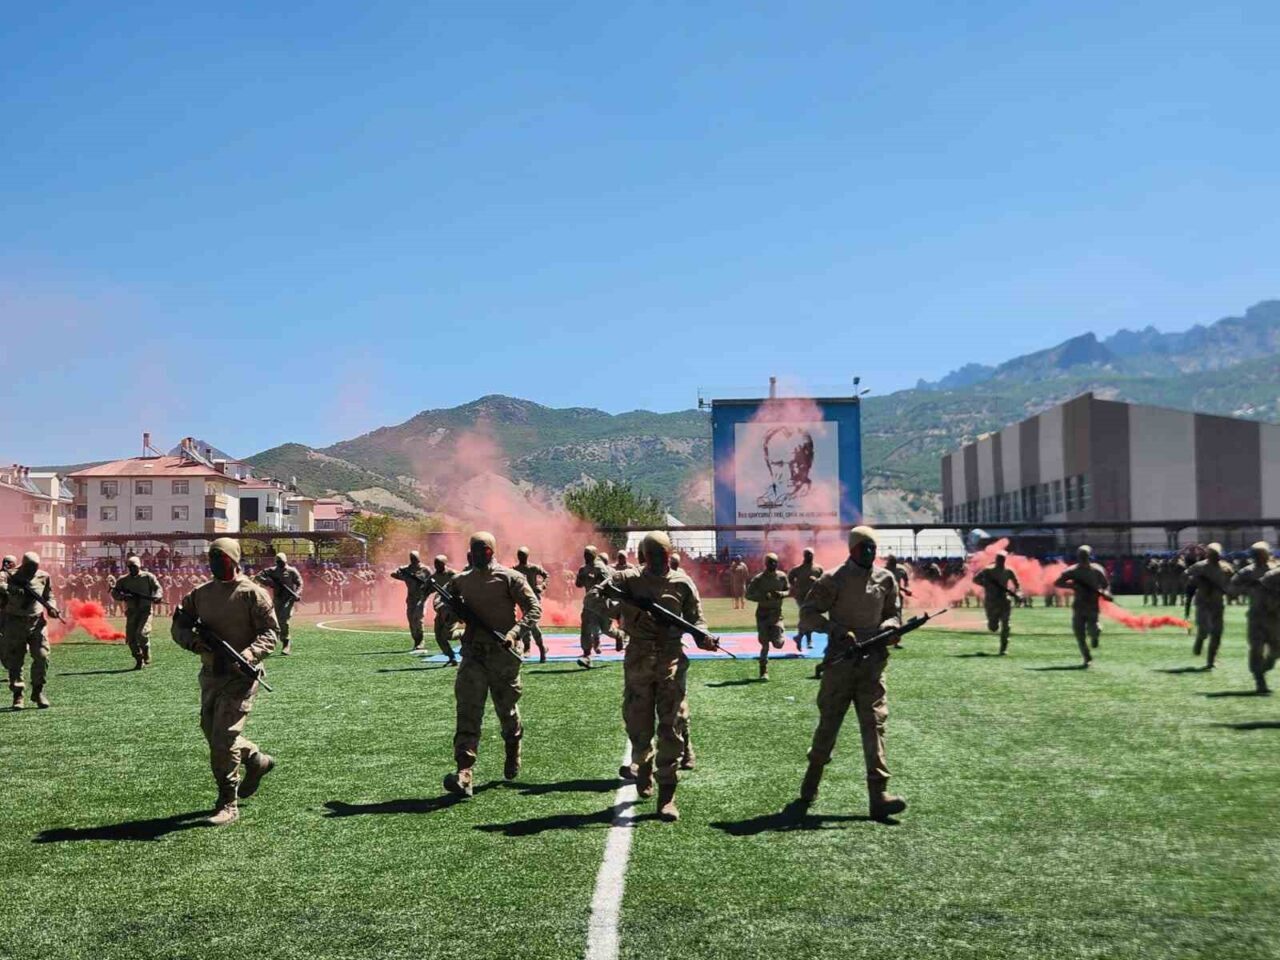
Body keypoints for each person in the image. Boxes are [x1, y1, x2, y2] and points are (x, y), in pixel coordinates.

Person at [796, 526, 905, 820]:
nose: (869, 553)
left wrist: (891, 627)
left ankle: (878, 795)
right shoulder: (833, 579)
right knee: (828, 727)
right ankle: (810, 785)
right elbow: (809, 613)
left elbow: (894, 612)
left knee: (875, 726)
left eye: (873, 548)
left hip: (873, 666)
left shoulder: (886, 579)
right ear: (852, 549)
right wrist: (837, 630)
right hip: (841, 665)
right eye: (863, 548)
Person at [170, 539, 278, 826]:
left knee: (223, 738)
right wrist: (195, 643)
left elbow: (270, 633)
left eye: (221, 557)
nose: (216, 562)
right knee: (211, 731)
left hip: (242, 676)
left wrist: (249, 655)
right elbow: (179, 624)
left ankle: (228, 802)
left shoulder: (252, 594)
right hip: (211, 674)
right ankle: (255, 759)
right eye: (212, 557)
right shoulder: (200, 595)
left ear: (234, 559)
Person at [612, 531, 714, 822]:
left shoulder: (682, 583)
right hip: (639, 661)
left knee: (672, 725)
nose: (658, 560)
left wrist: (702, 636)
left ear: (670, 555)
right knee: (636, 722)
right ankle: (643, 766)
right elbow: (599, 596)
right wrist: (610, 587)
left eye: (663, 555)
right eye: (652, 555)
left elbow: (696, 618)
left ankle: (667, 796)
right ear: (643, 556)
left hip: (670, 661)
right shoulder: (629, 581)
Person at [442, 532, 541, 798]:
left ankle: (512, 747)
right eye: (475, 551)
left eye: (483, 551)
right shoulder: (460, 581)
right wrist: (451, 615)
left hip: (503, 654)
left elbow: (533, 608)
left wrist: (514, 633)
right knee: (467, 711)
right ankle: (464, 771)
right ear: (468, 554)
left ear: (492, 552)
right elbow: (442, 605)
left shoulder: (510, 578)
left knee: (506, 709)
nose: (478, 555)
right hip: (473, 654)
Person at [1230, 542, 1280, 694]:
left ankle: (1264, 668)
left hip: (1275, 616)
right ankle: (1260, 680)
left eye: (1263, 554)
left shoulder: (1275, 569)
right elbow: (1232, 589)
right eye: (1257, 554)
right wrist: (1248, 588)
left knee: (1276, 651)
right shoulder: (1246, 572)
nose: (1260, 557)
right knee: (1256, 648)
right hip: (1257, 615)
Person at [1053, 545, 1110, 666]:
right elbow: (1058, 583)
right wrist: (1073, 586)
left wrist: (1105, 593)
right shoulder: (1072, 571)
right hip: (1079, 605)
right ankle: (1087, 657)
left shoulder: (1097, 570)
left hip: (1092, 605)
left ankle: (1095, 637)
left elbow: (1105, 585)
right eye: (1081, 556)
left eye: (1085, 556)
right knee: (1079, 634)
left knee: (1093, 629)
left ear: (1089, 556)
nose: (1083, 558)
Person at [1185, 542, 1234, 670]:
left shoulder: (1226, 568)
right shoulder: (1200, 566)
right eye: (1212, 554)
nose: (1215, 557)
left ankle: (1211, 660)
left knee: (1217, 633)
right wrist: (1195, 580)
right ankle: (1200, 640)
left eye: (1216, 554)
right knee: (1204, 629)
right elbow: (1185, 575)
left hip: (1218, 603)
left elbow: (1231, 583)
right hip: (1203, 602)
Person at [112, 554, 163, 669]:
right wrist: (123, 597)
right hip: (131, 611)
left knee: (141, 633)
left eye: (134, 566)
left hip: (145, 611)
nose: (132, 569)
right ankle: (139, 659)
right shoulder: (123, 580)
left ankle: (146, 650)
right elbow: (115, 593)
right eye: (130, 567)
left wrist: (157, 596)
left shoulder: (148, 577)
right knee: (130, 638)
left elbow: (158, 588)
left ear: (139, 566)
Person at [575, 545, 622, 669]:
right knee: (585, 628)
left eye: (588, 555)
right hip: (589, 603)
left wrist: (601, 588)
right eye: (585, 554)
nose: (586, 557)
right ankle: (586, 655)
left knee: (606, 629)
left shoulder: (600, 568)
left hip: (601, 603)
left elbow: (610, 583)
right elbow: (578, 585)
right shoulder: (583, 569)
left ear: (594, 555)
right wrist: (580, 577)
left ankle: (619, 636)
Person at [745, 553, 789, 680]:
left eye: (775, 562)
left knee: (779, 644)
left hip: (776, 615)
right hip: (763, 614)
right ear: (765, 563)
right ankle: (763, 671)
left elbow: (789, 590)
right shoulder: (759, 579)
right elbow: (748, 595)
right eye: (770, 562)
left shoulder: (782, 577)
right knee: (765, 645)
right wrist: (763, 597)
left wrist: (781, 594)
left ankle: (779, 632)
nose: (773, 564)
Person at [254, 553, 304, 655]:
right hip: (277, 599)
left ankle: (286, 642)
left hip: (289, 599)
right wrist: (270, 583)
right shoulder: (272, 570)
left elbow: (300, 583)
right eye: (278, 562)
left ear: (285, 561)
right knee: (275, 620)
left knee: (284, 619)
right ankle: (274, 640)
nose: (280, 564)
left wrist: (297, 593)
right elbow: (258, 576)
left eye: (281, 562)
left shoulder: (292, 571)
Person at [972, 551, 1021, 655]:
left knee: (1006, 624)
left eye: (1002, 559)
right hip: (991, 600)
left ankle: (1003, 648)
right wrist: (986, 585)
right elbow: (975, 579)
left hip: (1004, 600)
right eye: (999, 559)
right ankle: (992, 623)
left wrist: (1018, 594)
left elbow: (1017, 584)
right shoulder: (987, 571)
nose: (1001, 561)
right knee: (993, 627)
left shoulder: (1008, 571)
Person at [390, 551, 433, 653]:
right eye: (412, 558)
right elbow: (394, 574)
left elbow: (432, 581)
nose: (414, 560)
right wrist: (403, 574)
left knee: (418, 618)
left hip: (422, 598)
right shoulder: (407, 570)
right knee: (411, 620)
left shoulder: (425, 569)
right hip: (411, 598)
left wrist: (427, 591)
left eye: (415, 558)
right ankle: (416, 640)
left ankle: (421, 641)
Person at [512, 547, 550, 662]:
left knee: (531, 623)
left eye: (523, 555)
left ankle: (540, 648)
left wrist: (542, 586)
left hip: (534, 599)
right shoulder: (515, 569)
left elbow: (546, 575)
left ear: (527, 556)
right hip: (522, 600)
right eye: (519, 555)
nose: (521, 557)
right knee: (527, 622)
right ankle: (532, 647)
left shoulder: (533, 568)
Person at [787, 548, 824, 651]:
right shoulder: (798, 569)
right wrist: (794, 586)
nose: (809, 556)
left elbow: (824, 581)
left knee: (807, 618)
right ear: (804, 556)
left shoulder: (818, 568)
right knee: (807, 617)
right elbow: (790, 577)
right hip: (801, 597)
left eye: (811, 554)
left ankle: (799, 637)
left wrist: (816, 580)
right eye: (807, 554)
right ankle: (808, 640)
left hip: (814, 597)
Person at [429, 555, 460, 666]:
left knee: (448, 635)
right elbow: (426, 589)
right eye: (435, 563)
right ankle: (451, 657)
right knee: (438, 636)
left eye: (439, 564)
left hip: (451, 610)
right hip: (440, 609)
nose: (436, 566)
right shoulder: (434, 577)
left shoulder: (453, 575)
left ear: (444, 564)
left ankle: (463, 634)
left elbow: (461, 588)